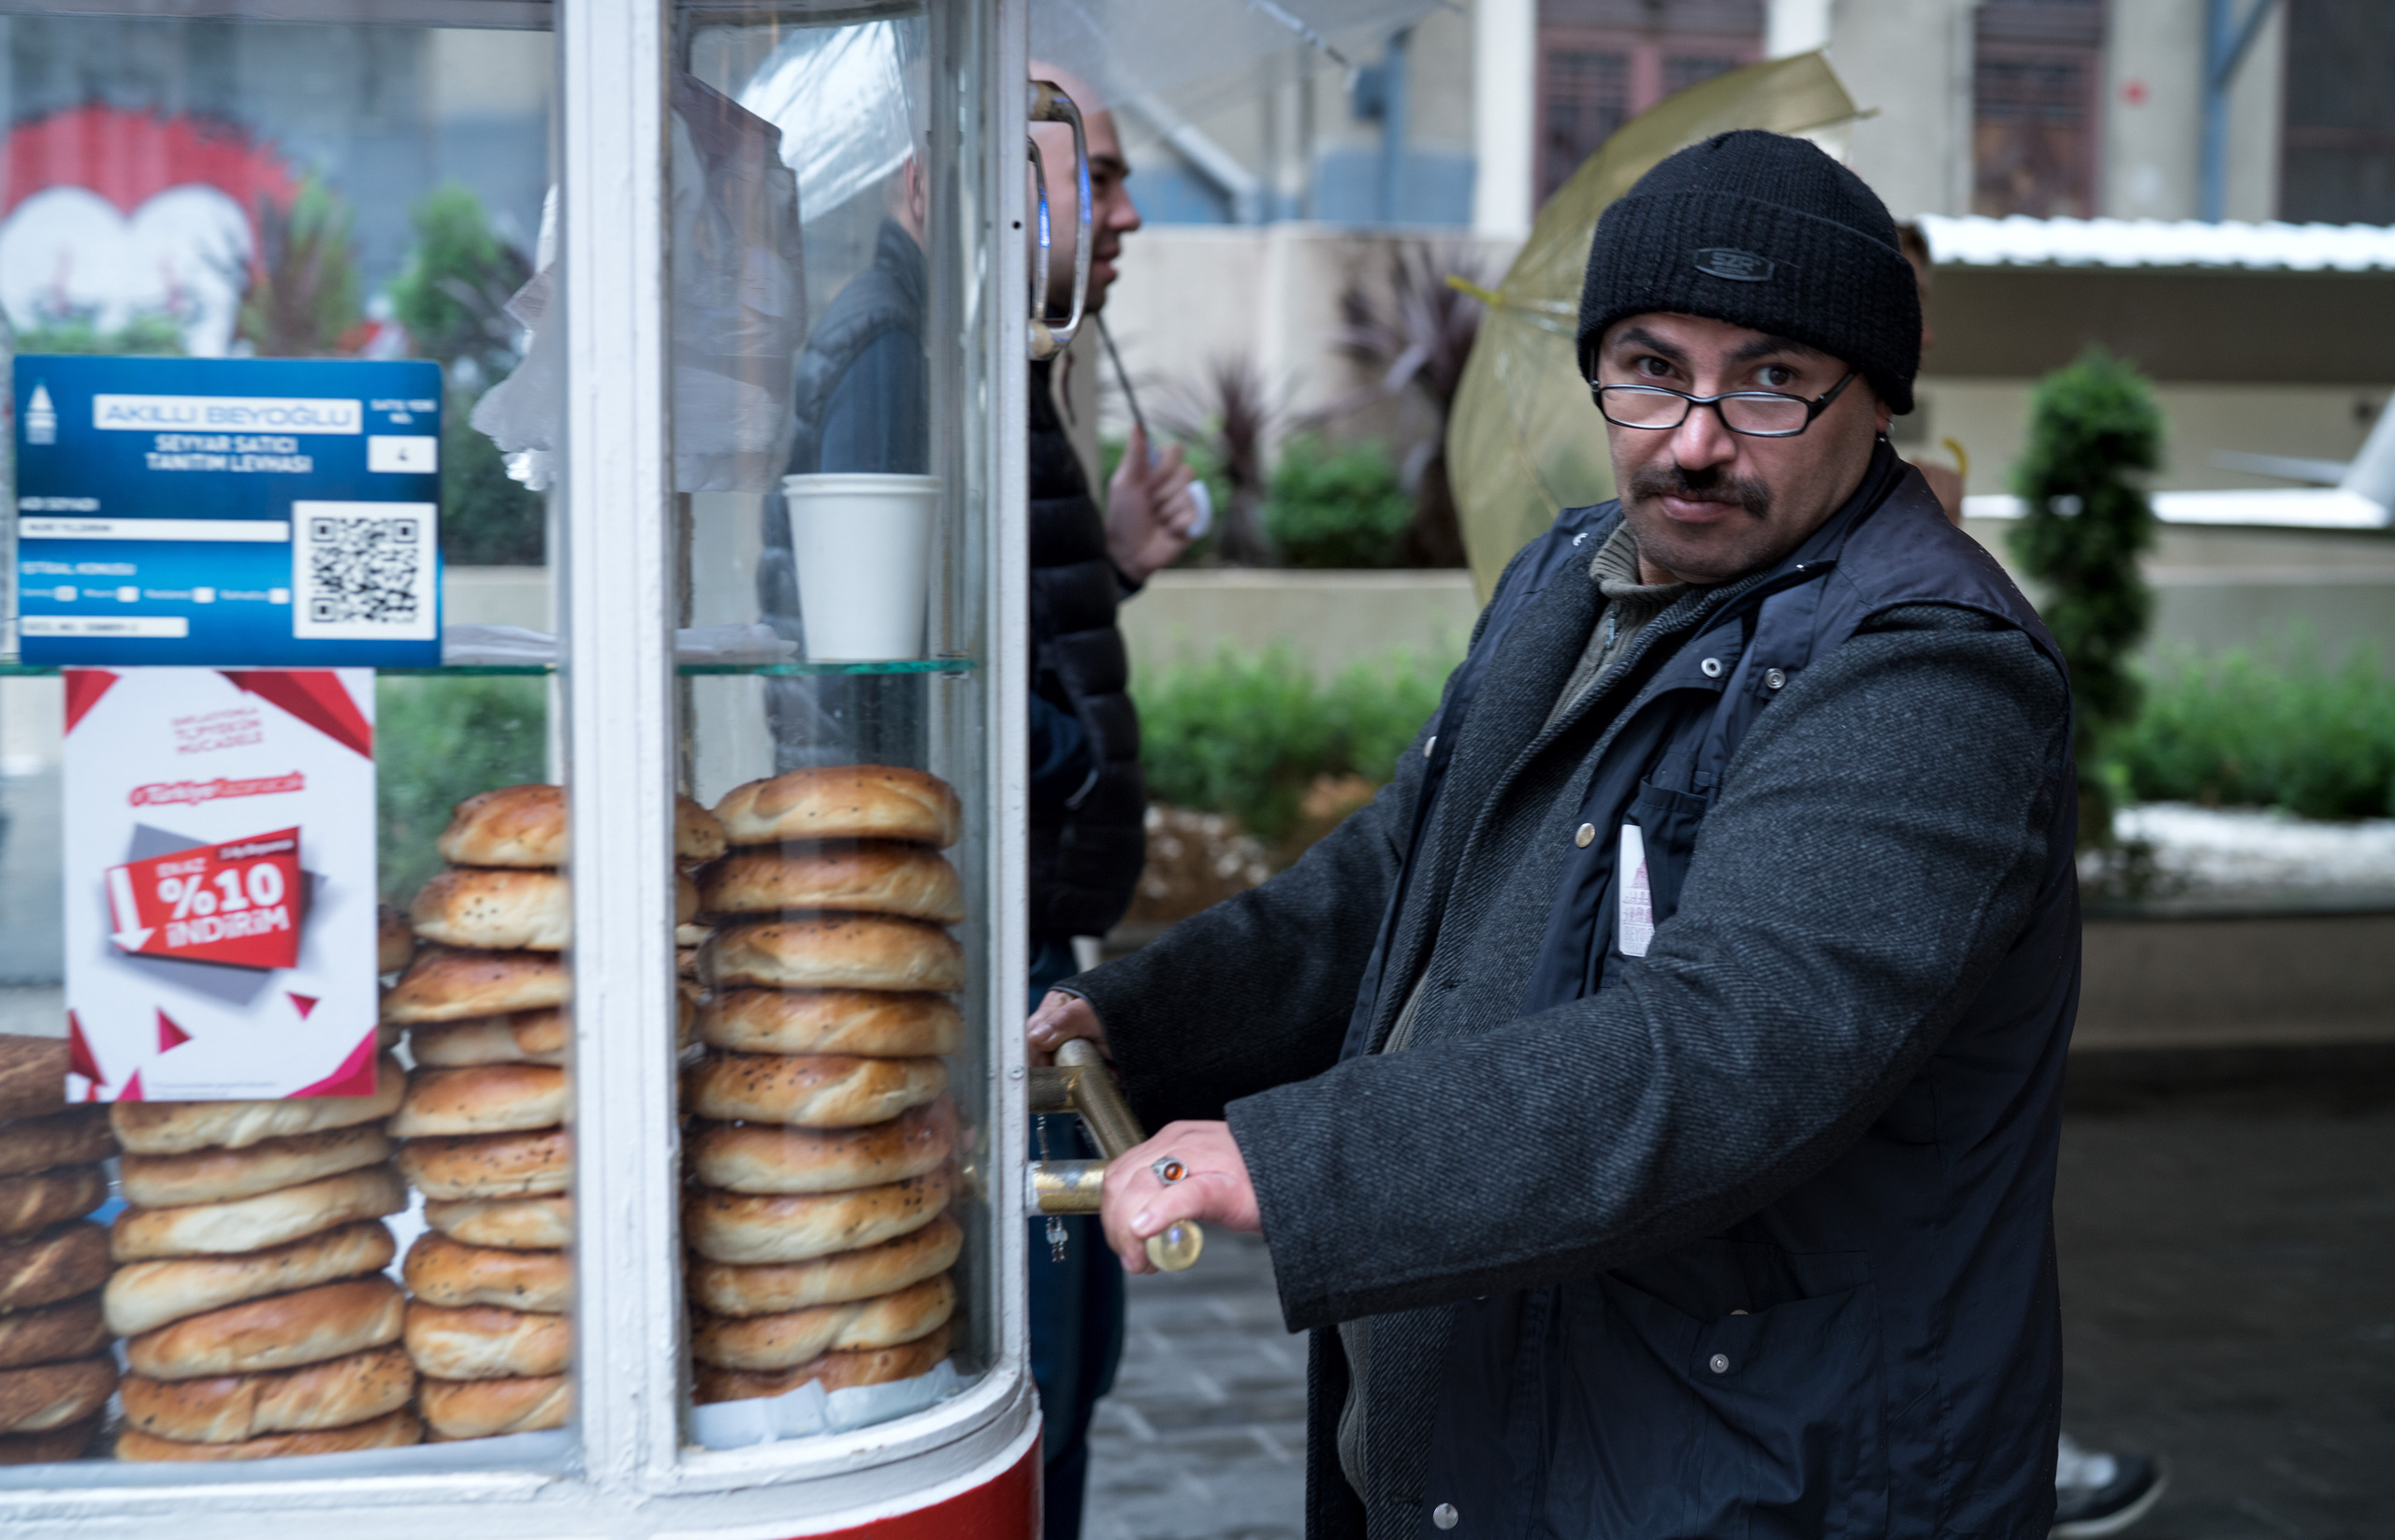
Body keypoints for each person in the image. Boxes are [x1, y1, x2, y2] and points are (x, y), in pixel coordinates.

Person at [1030, 131, 2081, 1537]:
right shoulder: (1569, 577)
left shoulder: (1927, 669)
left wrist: (1296, 1162)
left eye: (1770, 380)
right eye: (1649, 367)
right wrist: (1128, 1018)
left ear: (1877, 395)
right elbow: (1397, 877)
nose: (1694, 438)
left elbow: (1729, 1047)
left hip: (1746, 1478)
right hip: (1493, 1438)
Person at [1023, 61, 1199, 1540]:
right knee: (1038, 1394)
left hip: (1040, 951)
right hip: (995, 966)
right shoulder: (910, 368)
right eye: (1099, 172)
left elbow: (1021, 633)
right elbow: (858, 671)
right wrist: (1072, 759)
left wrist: (1119, 559)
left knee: (1071, 1379)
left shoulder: (1012, 376)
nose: (1128, 213)